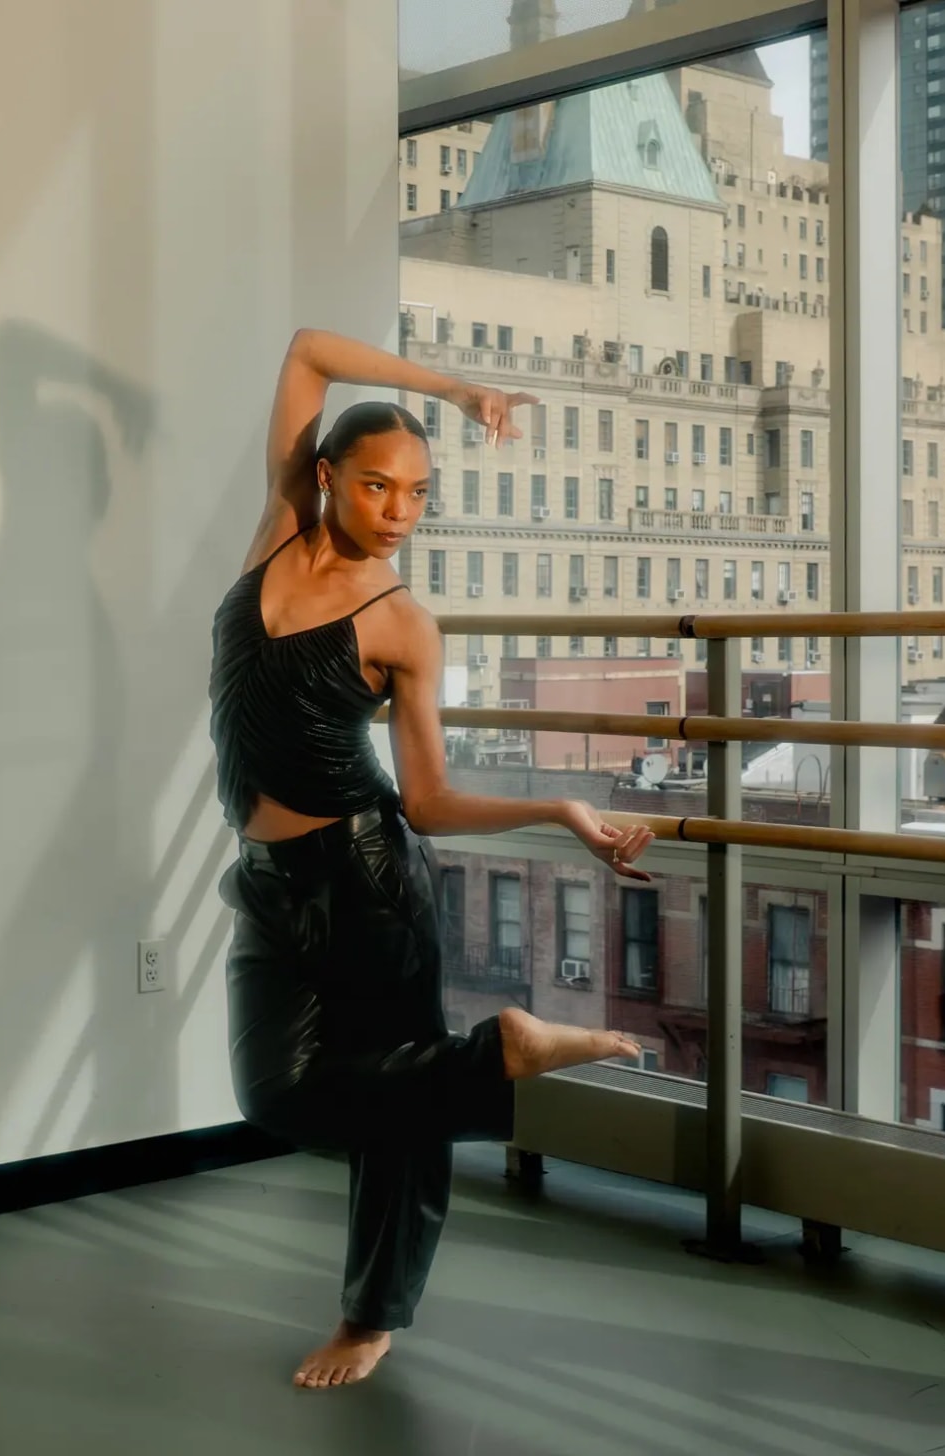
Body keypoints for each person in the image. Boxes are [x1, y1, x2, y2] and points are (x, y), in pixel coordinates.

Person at [209, 328, 654, 1390]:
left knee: (395, 1132)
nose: (398, 512)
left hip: (368, 881)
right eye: (377, 487)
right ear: (325, 478)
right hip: (268, 884)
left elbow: (428, 799)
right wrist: (455, 387)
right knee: (274, 1095)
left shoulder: (403, 621)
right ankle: (498, 1054)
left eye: (418, 495)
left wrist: (557, 802)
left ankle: (372, 1317)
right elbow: (309, 352)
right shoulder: (276, 535)